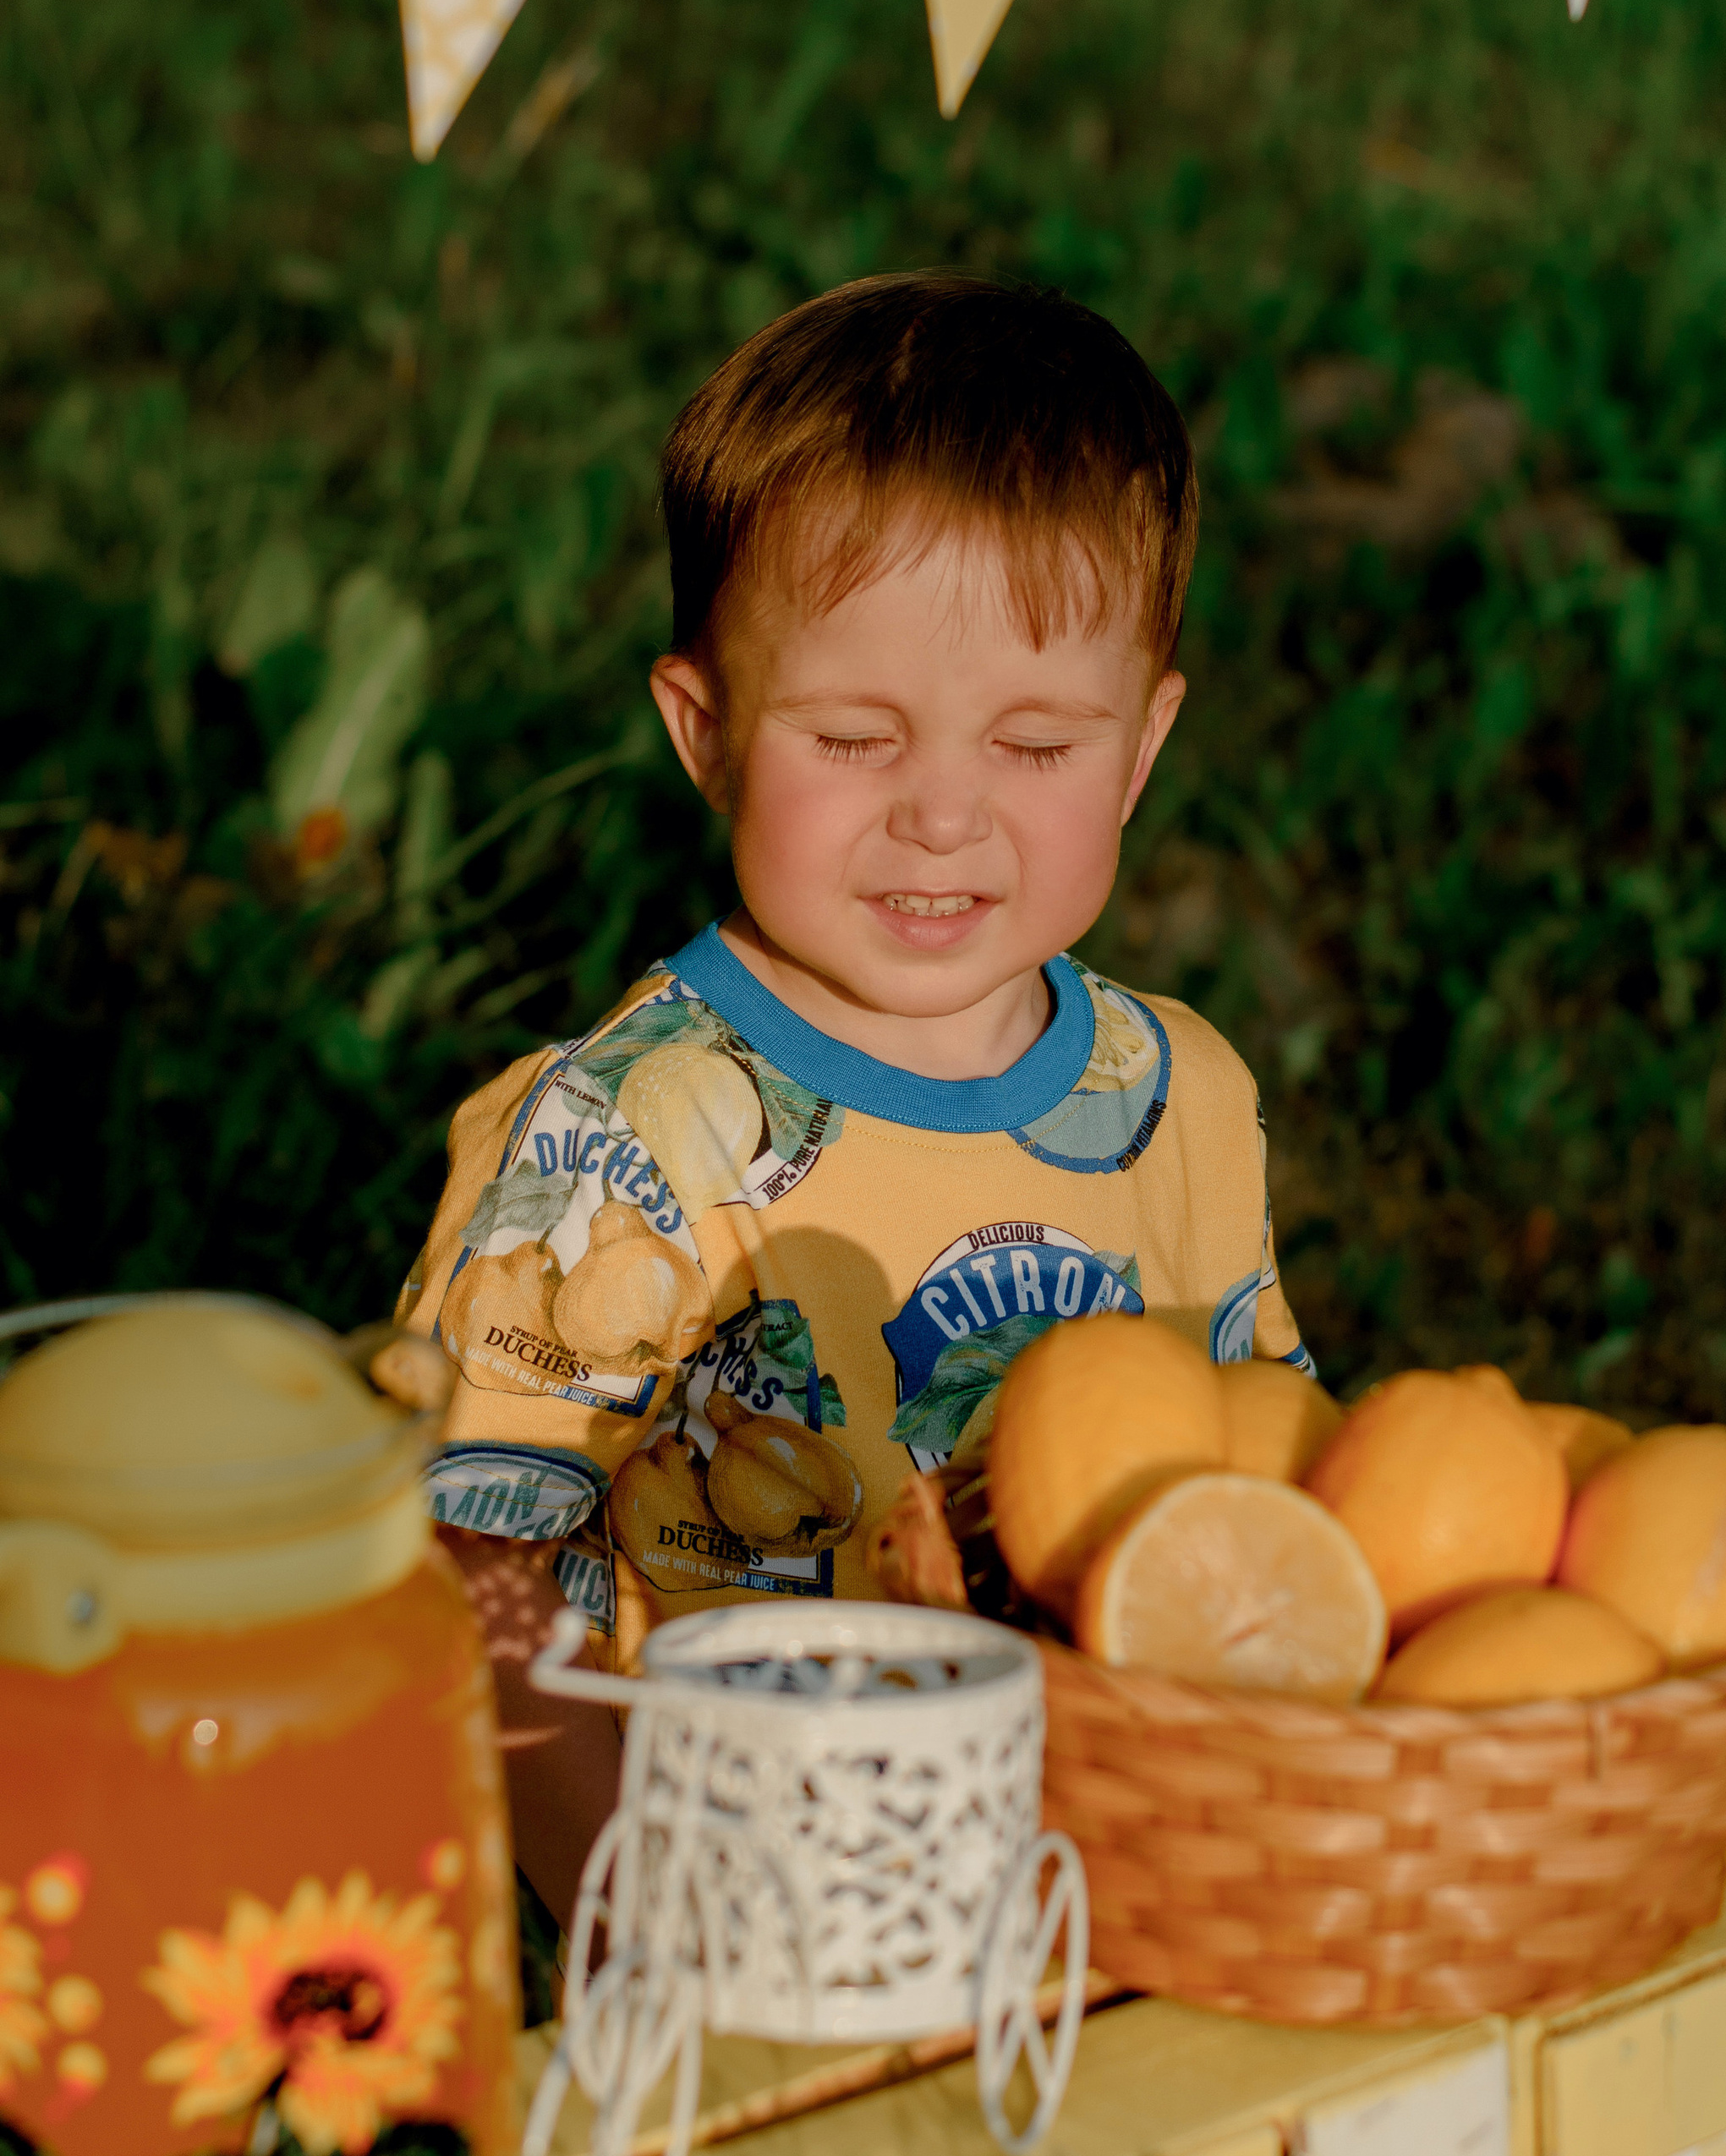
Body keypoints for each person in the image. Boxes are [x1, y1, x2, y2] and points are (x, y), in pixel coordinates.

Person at [394, 271, 1312, 1918]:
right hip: (743, 1897)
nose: (942, 816)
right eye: (853, 737)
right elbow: (469, 1585)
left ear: (1142, 746)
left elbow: (1264, 1481)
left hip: (1132, 1862)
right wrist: (630, 1924)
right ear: (707, 730)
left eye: (1033, 745)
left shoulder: (1181, 1098)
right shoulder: (629, 1134)